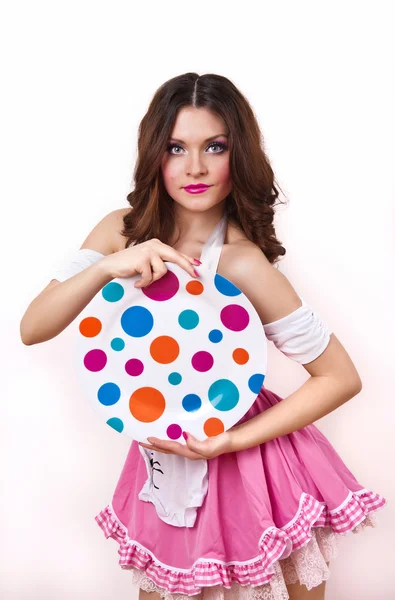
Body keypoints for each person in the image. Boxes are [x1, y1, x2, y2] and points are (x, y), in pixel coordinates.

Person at [20, 72, 387, 600]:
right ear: (155, 155)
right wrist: (109, 266)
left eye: (215, 147)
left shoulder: (243, 261)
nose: (194, 167)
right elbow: (34, 328)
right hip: (165, 443)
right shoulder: (118, 230)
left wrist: (233, 439)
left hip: (248, 454)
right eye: (176, 147)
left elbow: (339, 377)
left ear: (239, 156)